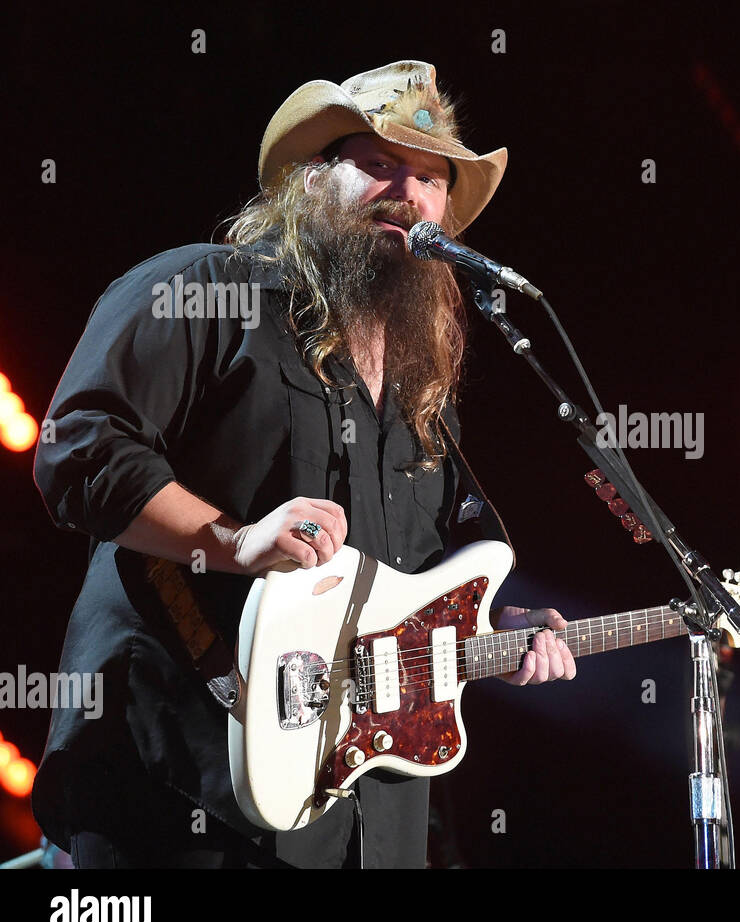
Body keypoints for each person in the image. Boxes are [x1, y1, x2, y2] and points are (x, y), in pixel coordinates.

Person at [31, 60, 576, 868]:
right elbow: (77, 448)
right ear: (311, 182)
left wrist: (498, 629)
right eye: (381, 163)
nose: (410, 191)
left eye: (431, 178)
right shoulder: (208, 290)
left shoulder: (423, 397)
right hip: (179, 782)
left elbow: (421, 582)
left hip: (359, 819)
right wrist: (234, 539)